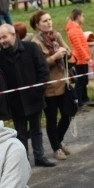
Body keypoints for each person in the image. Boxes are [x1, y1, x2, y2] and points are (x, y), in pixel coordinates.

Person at [0, 24, 54, 167]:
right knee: (20, 133)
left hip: (34, 97)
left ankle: (39, 156)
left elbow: (43, 70)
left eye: (4, 37)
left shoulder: (31, 48)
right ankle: (23, 160)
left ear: (13, 34)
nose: (2, 41)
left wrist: (38, 91)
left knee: (37, 129)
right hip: (15, 102)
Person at [31, 10, 72, 162]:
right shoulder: (35, 43)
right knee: (51, 119)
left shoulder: (57, 36)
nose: (49, 23)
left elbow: (69, 52)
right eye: (44, 21)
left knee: (68, 113)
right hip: (49, 87)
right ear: (37, 25)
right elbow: (39, 66)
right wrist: (54, 57)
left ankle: (58, 141)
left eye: (49, 19)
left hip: (63, 82)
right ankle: (56, 148)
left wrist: (66, 53)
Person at [66, 9, 92, 110]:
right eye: (83, 16)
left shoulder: (77, 28)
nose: (83, 18)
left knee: (84, 80)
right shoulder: (74, 30)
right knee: (80, 81)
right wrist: (87, 58)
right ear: (78, 17)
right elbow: (78, 46)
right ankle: (79, 102)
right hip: (79, 59)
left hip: (83, 59)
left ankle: (84, 98)